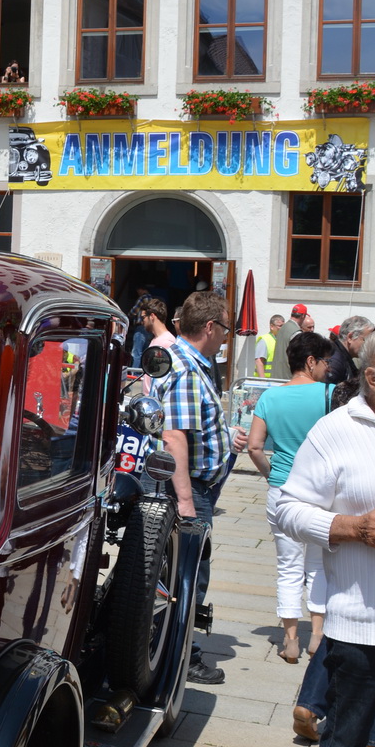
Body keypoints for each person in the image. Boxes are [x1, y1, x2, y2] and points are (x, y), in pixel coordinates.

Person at [275, 326, 375, 747]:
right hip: (362, 619)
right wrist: (354, 528)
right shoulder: (337, 430)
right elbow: (289, 506)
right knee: (344, 743)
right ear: (373, 378)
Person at [158, 289, 234, 685]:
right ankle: (183, 657)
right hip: (191, 494)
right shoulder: (186, 368)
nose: (227, 335)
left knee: (179, 573)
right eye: (226, 327)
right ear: (210, 327)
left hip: (201, 489)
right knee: (188, 576)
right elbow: (174, 437)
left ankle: (173, 647)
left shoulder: (191, 363)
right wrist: (186, 500)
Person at [247, 332, 336, 662]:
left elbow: (255, 448)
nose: (328, 368)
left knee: (288, 567)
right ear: (311, 362)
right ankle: (316, 636)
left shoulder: (269, 398)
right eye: (325, 362)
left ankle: (290, 641)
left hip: (282, 490)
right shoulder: (330, 395)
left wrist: (273, 475)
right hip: (320, 490)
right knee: (317, 566)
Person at [325, 315, 370, 386]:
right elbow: (327, 393)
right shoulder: (335, 361)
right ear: (350, 337)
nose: (368, 345)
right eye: (366, 340)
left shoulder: (342, 356)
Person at [269, 303, 309, 380]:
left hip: (275, 375)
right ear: (303, 316)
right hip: (287, 377)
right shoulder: (296, 332)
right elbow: (298, 356)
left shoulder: (283, 328)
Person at [127, 286, 152, 370]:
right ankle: (142, 373)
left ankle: (134, 373)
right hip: (149, 328)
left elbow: (134, 311)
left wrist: (128, 316)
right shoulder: (152, 299)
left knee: (136, 352)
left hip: (140, 327)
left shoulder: (143, 298)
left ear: (142, 289)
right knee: (145, 352)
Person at [255, 314, 284, 379]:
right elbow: (259, 361)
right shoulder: (264, 340)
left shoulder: (281, 340)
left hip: (277, 380)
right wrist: (263, 381)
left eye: (283, 326)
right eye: (280, 326)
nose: (282, 328)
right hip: (267, 381)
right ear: (272, 326)